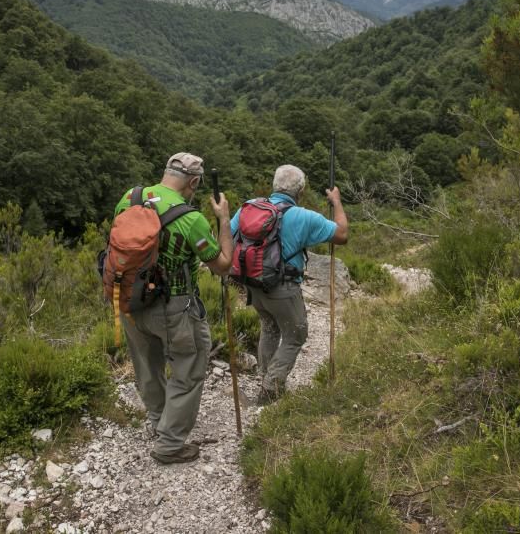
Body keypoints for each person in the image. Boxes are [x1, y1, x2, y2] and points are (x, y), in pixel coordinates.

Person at [112, 152, 232, 464]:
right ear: (193, 182)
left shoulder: (129, 198)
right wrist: (223, 220)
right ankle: (170, 444)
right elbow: (222, 266)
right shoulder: (190, 218)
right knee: (189, 367)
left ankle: (159, 420)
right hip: (173, 305)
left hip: (129, 299)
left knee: (147, 365)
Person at [231, 164, 348, 404]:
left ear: (274, 185)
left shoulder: (249, 207)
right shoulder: (303, 216)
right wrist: (336, 202)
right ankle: (271, 388)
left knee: (269, 327)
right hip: (282, 287)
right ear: (301, 191)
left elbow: (229, 234)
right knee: (296, 335)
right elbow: (342, 235)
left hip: (253, 284)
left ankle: (266, 376)